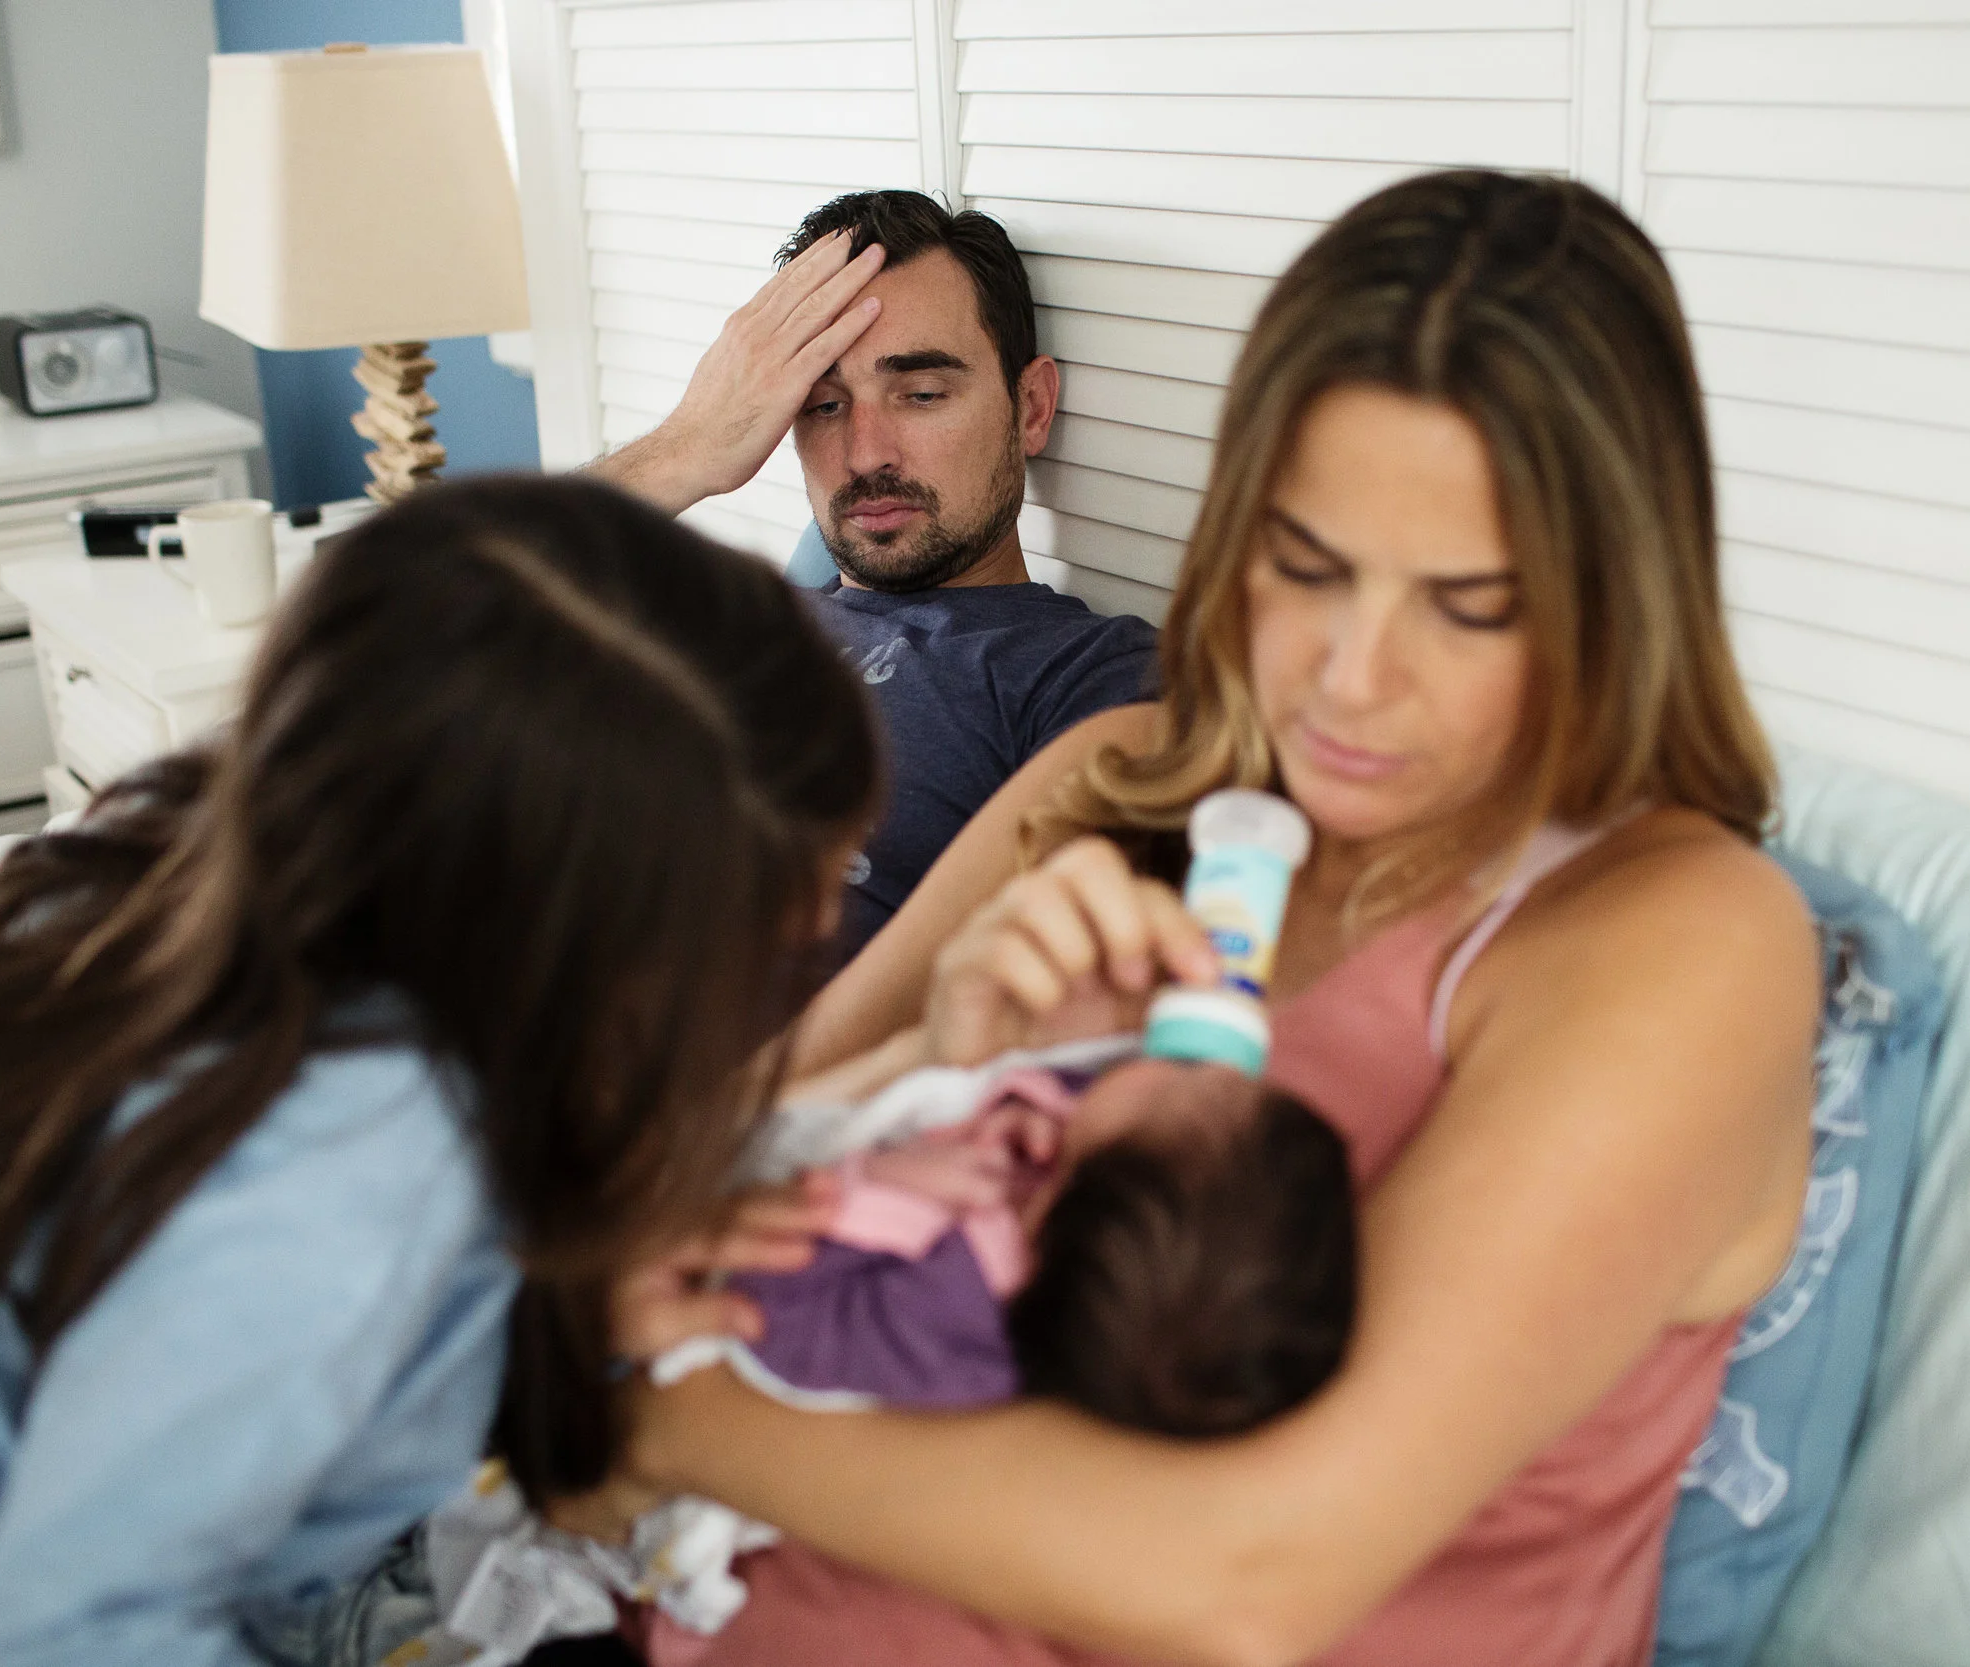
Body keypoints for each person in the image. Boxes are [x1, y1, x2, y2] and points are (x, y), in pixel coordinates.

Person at [563, 170, 1824, 1667]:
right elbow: (682, 1188)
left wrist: (649, 1420)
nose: (1350, 679)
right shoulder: (1123, 781)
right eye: (1306, 565)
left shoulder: (1679, 933)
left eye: (1467, 603)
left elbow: (1256, 1578)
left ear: (1611, 594)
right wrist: (931, 1059)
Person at [0, 476, 877, 1667]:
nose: (813, 934)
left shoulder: (203, 876)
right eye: (780, 920)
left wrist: (544, 1319)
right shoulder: (363, 1155)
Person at [624, 1043, 1356, 1662]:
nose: (1209, 1063)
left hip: (682, 1423)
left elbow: (772, 1324)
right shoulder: (1093, 1217)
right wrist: (1024, 1110)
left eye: (1180, 1086)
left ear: (1079, 1196)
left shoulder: (960, 1314)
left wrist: (878, 1190)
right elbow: (1070, 1097)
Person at [590, 190, 1158, 957]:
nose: (865, 455)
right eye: (823, 406)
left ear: (1030, 407)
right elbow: (438, 651)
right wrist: (683, 449)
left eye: (920, 395)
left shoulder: (1091, 676)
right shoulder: (731, 627)